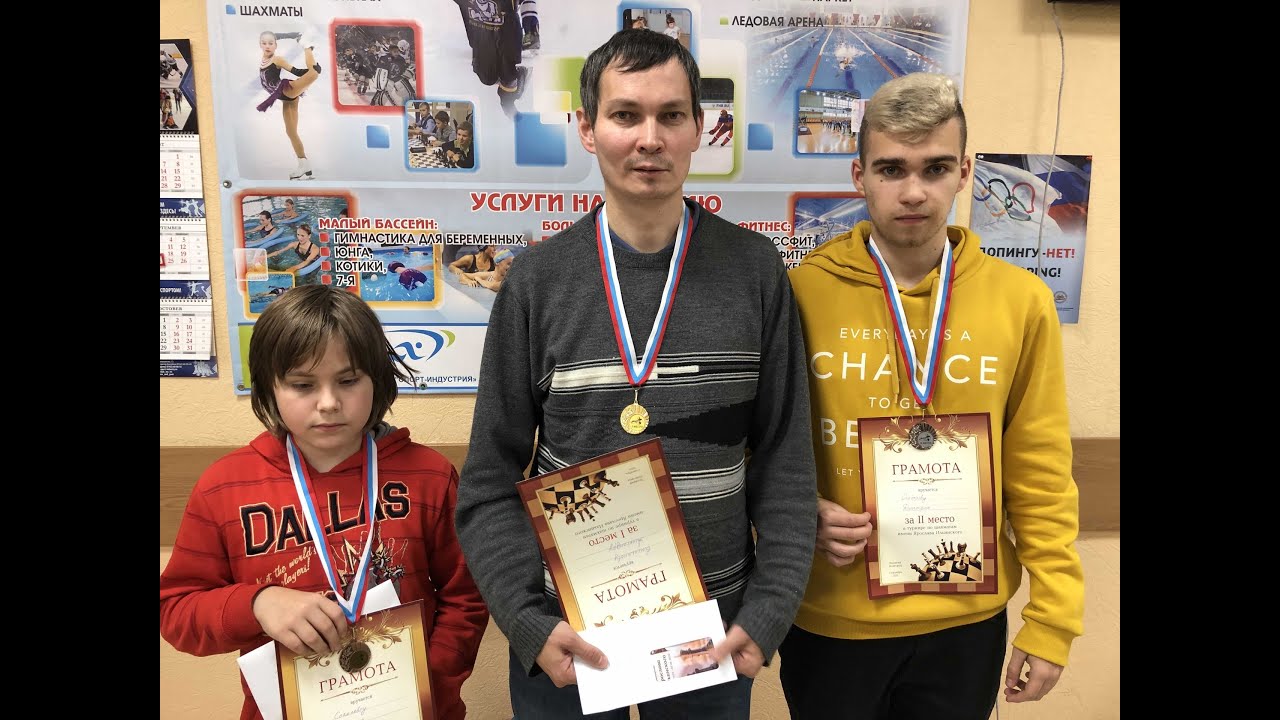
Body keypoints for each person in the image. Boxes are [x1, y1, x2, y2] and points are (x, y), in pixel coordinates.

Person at [455, 28, 817, 719]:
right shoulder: (537, 281)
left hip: (711, 637)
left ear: (699, 128)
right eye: (625, 114)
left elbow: (786, 462)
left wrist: (768, 611)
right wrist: (528, 621)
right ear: (587, 129)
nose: (649, 138)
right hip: (567, 638)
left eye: (670, 115)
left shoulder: (755, 272)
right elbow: (487, 479)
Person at [781, 72, 1085, 719]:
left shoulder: (1021, 301)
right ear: (860, 175)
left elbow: (1040, 468)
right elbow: (758, 443)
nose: (914, 191)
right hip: (833, 620)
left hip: (965, 623)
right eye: (891, 169)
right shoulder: (799, 293)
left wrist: (1054, 617)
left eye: (936, 168)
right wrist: (795, 511)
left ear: (965, 172)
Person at [159, 284, 489, 720]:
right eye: (302, 384)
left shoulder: (429, 475)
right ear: (269, 387)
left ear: (378, 379)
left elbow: (466, 597)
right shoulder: (223, 487)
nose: (329, 403)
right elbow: (176, 612)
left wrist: (432, 682)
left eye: (348, 381)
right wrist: (256, 604)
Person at [256, 30, 322, 180]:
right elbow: (273, 35)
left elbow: (297, 72)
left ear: (275, 46)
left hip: (288, 90)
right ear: (260, 44)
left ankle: (307, 46)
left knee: (313, 73)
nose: (267, 46)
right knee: (291, 132)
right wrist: (288, 35)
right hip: (285, 98)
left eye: (271, 43)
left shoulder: (277, 60)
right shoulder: (263, 59)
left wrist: (310, 72)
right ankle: (304, 165)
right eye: (264, 43)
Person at [453, 0, 529, 117]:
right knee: (487, 79)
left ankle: (512, 87)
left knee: (508, 80)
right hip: (482, 41)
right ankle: (514, 80)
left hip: (508, 42)